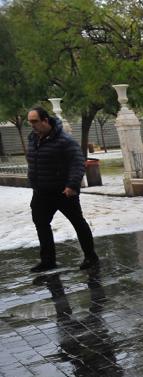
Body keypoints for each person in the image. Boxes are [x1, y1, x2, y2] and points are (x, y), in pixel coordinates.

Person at [25, 106, 99, 273]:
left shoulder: (64, 140)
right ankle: (48, 260)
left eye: (35, 121)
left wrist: (72, 185)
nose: (32, 125)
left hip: (63, 191)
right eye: (30, 122)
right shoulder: (33, 138)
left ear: (45, 120)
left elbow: (77, 162)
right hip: (41, 191)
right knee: (41, 224)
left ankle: (91, 257)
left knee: (78, 223)